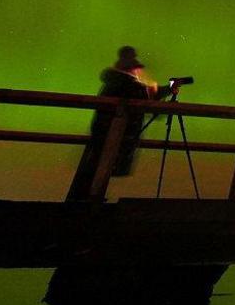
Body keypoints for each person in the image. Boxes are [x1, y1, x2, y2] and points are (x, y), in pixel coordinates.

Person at [65, 46, 173, 200]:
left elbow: (145, 94)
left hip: (103, 132)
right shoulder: (128, 84)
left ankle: (82, 201)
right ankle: (88, 203)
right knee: (101, 169)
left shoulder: (115, 81)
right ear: (131, 69)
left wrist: (166, 89)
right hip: (116, 135)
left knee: (92, 169)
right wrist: (168, 91)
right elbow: (146, 98)